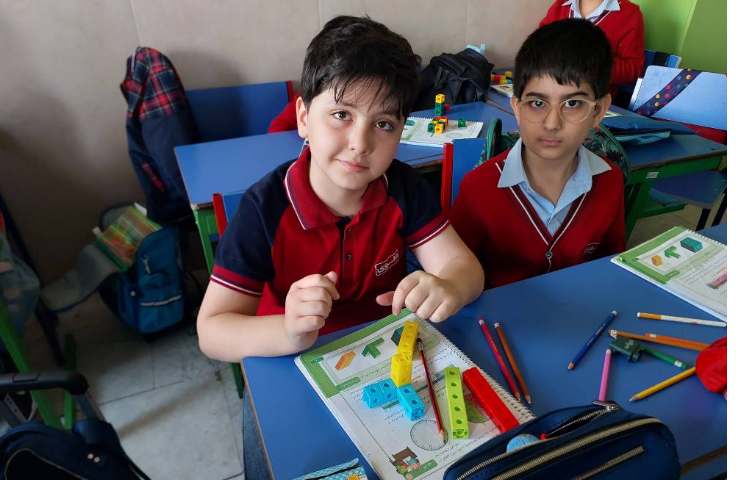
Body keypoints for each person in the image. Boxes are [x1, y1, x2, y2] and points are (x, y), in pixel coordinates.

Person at [197, 16, 483, 360]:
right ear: (304, 118)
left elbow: (466, 269)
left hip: (383, 350)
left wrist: (450, 286)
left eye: (383, 124)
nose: (360, 143)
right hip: (294, 357)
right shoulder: (264, 208)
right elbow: (211, 333)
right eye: (341, 115)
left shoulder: (403, 187)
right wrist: (288, 331)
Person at [451, 19, 625, 288]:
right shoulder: (478, 187)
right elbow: (453, 274)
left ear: (599, 111)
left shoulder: (610, 180)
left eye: (573, 103)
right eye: (536, 103)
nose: (552, 123)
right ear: (516, 108)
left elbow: (610, 267)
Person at [540, 0, 644, 89]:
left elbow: (634, 68)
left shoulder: (630, 13)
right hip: (551, 87)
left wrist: (591, 64)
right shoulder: (559, 5)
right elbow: (538, 46)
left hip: (594, 97)